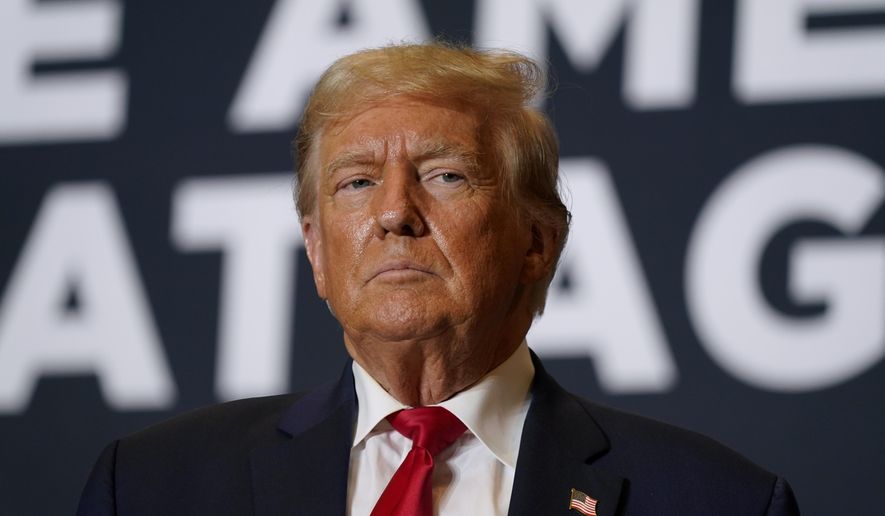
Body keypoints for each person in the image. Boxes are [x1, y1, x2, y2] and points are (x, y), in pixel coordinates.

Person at [77, 43, 800, 515]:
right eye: (356, 182)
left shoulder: (716, 501)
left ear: (537, 242)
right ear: (317, 253)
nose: (394, 212)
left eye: (444, 175)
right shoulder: (150, 488)